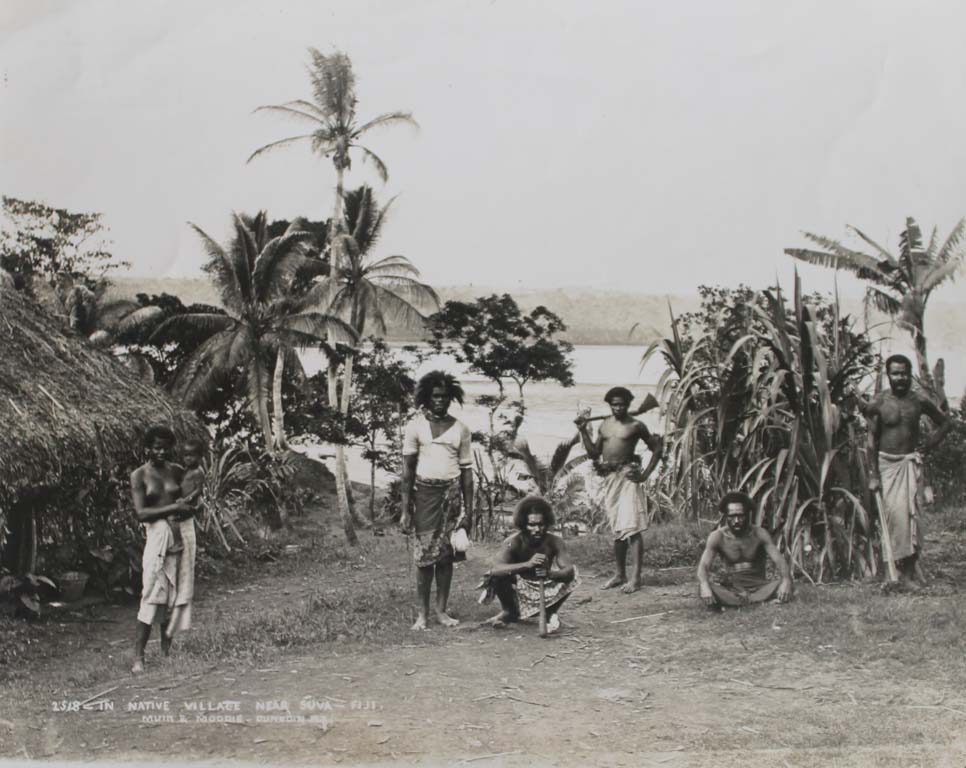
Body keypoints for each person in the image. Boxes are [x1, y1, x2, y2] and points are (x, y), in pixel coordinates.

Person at [857, 354, 950, 586]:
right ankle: (895, 572)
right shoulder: (879, 402)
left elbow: (946, 422)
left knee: (913, 519)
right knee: (896, 518)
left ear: (910, 374)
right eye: (895, 373)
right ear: (889, 375)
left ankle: (908, 573)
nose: (900, 378)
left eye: (904, 373)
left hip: (911, 463)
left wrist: (929, 443)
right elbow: (871, 441)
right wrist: (873, 475)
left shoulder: (919, 401)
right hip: (887, 466)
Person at [400, 371, 475, 630]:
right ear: (426, 398)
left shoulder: (461, 429)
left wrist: (469, 511)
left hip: (451, 497)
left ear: (451, 398)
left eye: (444, 397)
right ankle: (422, 615)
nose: (440, 401)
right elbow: (408, 471)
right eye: (435, 397)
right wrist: (405, 510)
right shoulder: (415, 427)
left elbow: (467, 473)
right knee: (423, 559)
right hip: (424, 496)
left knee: (445, 557)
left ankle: (441, 611)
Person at [575, 387, 662, 593]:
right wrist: (582, 430)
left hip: (628, 477)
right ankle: (620, 574)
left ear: (628, 404)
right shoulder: (604, 425)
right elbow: (595, 453)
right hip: (610, 480)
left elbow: (657, 449)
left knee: (631, 527)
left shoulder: (636, 425)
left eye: (622, 404)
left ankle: (636, 578)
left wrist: (644, 475)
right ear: (609, 405)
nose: (618, 408)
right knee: (618, 530)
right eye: (614, 404)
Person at [129, 425, 198, 674]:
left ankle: (167, 651)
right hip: (157, 535)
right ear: (147, 448)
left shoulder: (177, 471)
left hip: (181, 533)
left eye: (165, 447)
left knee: (174, 594)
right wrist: (172, 510)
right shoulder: (139, 475)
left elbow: (192, 498)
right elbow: (141, 513)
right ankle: (138, 656)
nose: (160, 451)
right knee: (151, 593)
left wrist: (188, 508)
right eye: (156, 447)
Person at [478, 496, 578, 633]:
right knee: (495, 576)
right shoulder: (512, 542)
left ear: (547, 523)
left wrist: (551, 574)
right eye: (532, 525)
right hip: (521, 586)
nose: (537, 529)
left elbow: (568, 570)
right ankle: (509, 611)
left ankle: (550, 612)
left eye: (541, 524)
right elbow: (496, 569)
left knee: (574, 574)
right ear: (523, 524)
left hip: (544, 584)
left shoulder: (555, 542)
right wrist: (528, 564)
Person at [697, 491, 792, 609]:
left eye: (740, 516)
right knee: (703, 587)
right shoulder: (718, 536)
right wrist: (705, 585)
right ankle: (757, 602)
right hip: (733, 588)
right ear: (726, 516)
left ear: (748, 515)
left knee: (786, 584)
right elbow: (703, 566)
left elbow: (779, 560)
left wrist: (786, 580)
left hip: (759, 586)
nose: (736, 521)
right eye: (732, 516)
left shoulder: (759, 533)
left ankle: (738, 603)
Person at [163, 437, 206, 639]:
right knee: (173, 519)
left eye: (192, 455)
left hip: (188, 505)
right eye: (186, 455)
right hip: (181, 506)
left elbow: (198, 490)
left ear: (199, 457)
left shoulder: (198, 472)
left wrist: (187, 499)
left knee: (177, 518)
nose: (188, 459)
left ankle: (178, 542)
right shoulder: (184, 470)